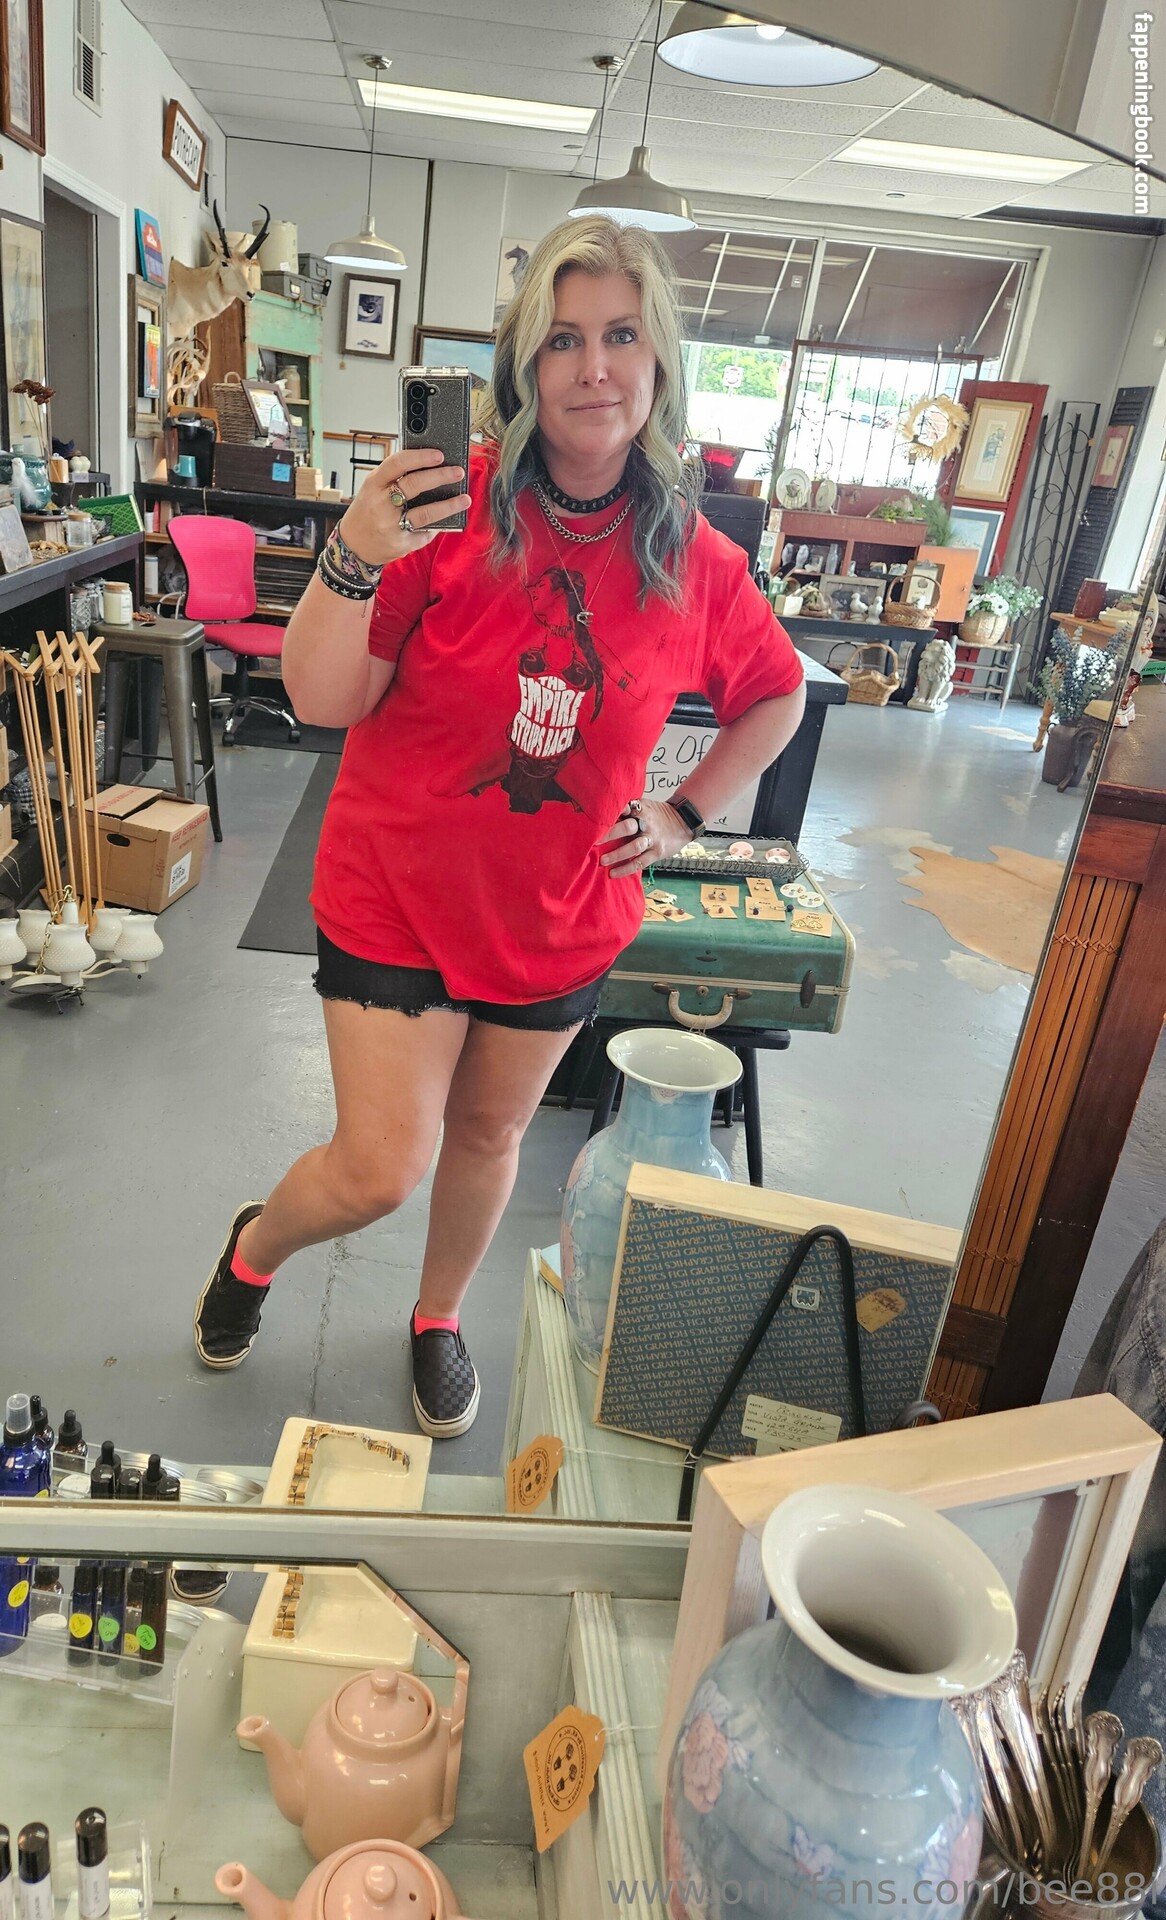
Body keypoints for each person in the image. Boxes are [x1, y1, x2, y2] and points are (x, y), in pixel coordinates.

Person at [193, 215, 806, 1439]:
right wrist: (353, 554)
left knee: (488, 1134)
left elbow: (774, 692)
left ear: (658, 358)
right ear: (523, 366)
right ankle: (255, 1248)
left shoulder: (691, 556)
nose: (593, 368)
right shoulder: (445, 510)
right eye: (561, 340)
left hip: (559, 913)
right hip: (397, 891)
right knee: (381, 1166)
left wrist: (682, 810)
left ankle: (437, 1317)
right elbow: (323, 699)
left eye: (620, 336)